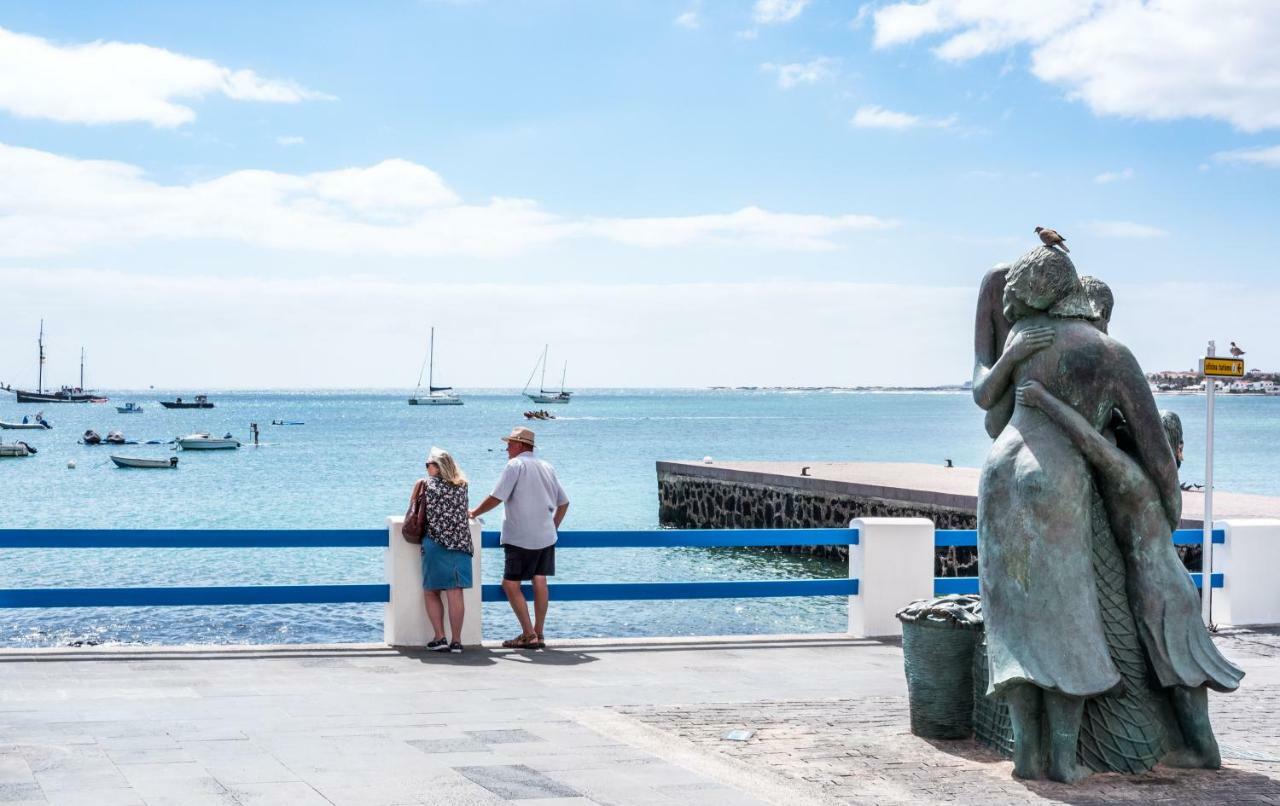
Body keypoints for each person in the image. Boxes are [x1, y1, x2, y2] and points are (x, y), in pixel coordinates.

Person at [977, 247, 1180, 783]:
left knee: (1013, 621)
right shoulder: (1110, 352)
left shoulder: (1025, 340)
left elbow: (987, 406)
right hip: (1057, 478)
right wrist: (1168, 510)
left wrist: (1007, 354)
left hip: (1000, 474)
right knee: (1069, 620)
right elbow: (1157, 453)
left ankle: (1026, 755)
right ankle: (1065, 760)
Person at [1017, 381, 1243, 768]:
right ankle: (1198, 747)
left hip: (1162, 590)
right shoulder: (1162, 486)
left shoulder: (1134, 480)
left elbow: (1089, 441)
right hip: (1158, 585)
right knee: (1175, 671)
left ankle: (1205, 752)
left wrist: (1043, 400)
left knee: (1181, 671)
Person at [469, 426, 569, 649]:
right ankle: (540, 633)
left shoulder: (515, 465)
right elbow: (564, 503)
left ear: (522, 445)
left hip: (519, 535)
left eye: (511, 443)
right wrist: (553, 528)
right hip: (545, 535)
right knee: (540, 579)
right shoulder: (547, 466)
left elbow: (497, 496)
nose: (507, 448)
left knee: (510, 584)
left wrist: (474, 512)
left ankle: (528, 634)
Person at [411, 447, 473, 654]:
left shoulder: (425, 484)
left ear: (437, 467)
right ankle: (457, 641)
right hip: (461, 544)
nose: (427, 468)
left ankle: (440, 637)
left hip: (435, 544)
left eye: (428, 464)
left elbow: (413, 509)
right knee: (456, 592)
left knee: (431, 592)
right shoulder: (462, 486)